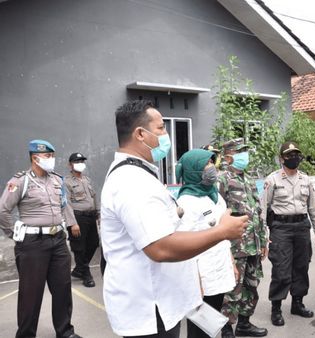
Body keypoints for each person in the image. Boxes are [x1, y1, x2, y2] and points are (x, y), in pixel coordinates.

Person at [101, 99, 248, 338]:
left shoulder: (140, 175)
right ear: (140, 133)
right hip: (150, 308)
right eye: (160, 128)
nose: (166, 134)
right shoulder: (132, 182)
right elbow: (160, 247)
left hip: (161, 302)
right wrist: (222, 232)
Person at [0, 139, 82, 338]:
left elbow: (64, 205)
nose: (51, 160)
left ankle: (65, 332)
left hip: (58, 241)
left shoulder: (57, 180)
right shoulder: (19, 181)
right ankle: (26, 334)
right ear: (35, 158)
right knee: (31, 293)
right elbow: (3, 210)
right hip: (32, 245)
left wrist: (72, 224)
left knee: (62, 289)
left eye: (52, 156)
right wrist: (16, 234)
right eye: (47, 156)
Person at [261, 141, 315, 327]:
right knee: (281, 270)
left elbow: (314, 207)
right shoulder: (272, 180)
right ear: (281, 159)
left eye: (296, 154)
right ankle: (276, 308)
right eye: (289, 155)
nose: (293, 158)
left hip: (302, 227)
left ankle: (297, 303)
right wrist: (264, 236)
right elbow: (262, 209)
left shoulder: (305, 179)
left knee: (301, 267)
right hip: (280, 228)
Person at [175, 149, 237, 338]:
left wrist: (232, 262)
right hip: (200, 276)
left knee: (211, 323)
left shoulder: (215, 196)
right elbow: (183, 244)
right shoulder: (186, 202)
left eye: (211, 163)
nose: (211, 168)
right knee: (198, 329)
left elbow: (222, 234)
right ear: (193, 170)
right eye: (205, 165)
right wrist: (194, 282)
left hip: (218, 268)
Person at [218, 138, 269, 338]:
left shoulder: (248, 179)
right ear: (229, 156)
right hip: (235, 245)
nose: (244, 156)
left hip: (253, 244)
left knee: (251, 286)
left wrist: (264, 241)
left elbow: (257, 212)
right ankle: (226, 328)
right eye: (240, 152)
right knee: (233, 289)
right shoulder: (222, 179)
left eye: (245, 151)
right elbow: (219, 215)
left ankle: (244, 324)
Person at [64, 152, 99, 288]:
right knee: (79, 247)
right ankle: (86, 274)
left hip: (90, 217)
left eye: (82, 161)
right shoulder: (66, 182)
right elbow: (65, 203)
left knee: (94, 243)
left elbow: (93, 197)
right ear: (70, 165)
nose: (80, 164)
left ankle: (79, 269)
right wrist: (72, 223)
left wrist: (98, 214)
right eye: (77, 162)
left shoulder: (87, 180)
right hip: (77, 218)